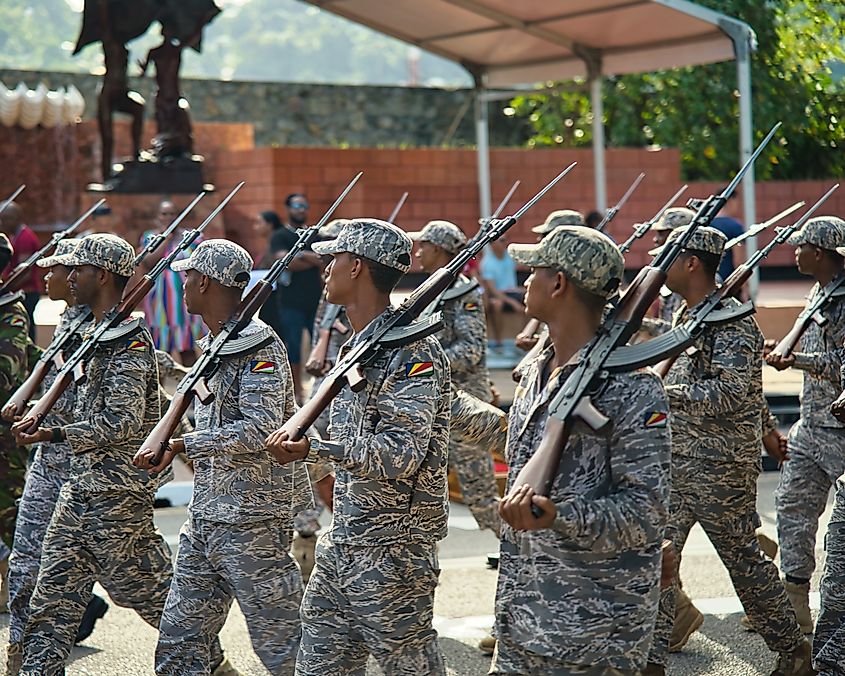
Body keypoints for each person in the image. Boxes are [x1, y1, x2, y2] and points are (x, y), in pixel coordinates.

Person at [10, 233, 235, 676]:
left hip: (115, 500)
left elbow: (120, 425)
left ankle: (213, 663)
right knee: (49, 605)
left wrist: (52, 433)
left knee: (154, 595)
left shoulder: (130, 346)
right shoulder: (91, 332)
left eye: (80, 270)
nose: (70, 277)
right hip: (78, 493)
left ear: (104, 276)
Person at [266, 219, 449, 675]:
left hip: (394, 548)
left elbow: (401, 453)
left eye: (336, 259)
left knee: (409, 666)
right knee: (319, 663)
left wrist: (321, 451)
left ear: (359, 268)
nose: (325, 269)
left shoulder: (412, 352)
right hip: (346, 536)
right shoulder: (359, 342)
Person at [493, 225, 670, 674]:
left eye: (534, 270)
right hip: (522, 614)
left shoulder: (634, 388)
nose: (525, 280)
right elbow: (522, 444)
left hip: (592, 632)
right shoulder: (537, 366)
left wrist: (559, 516)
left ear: (559, 283)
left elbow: (645, 512)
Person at [132, 240, 313, 675]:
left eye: (189, 276)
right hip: (206, 516)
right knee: (179, 642)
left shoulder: (258, 347)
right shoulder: (213, 343)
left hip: (252, 520)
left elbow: (260, 429)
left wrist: (182, 445)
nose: (184, 284)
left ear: (207, 282)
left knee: (285, 647)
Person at [644, 225, 811, 676]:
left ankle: (794, 650)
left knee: (744, 564)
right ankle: (651, 660)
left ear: (692, 263)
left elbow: (735, 391)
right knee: (657, 557)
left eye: (668, 257)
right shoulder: (690, 315)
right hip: (680, 459)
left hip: (720, 466)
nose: (659, 265)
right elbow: (749, 395)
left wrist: (665, 391)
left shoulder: (733, 322)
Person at [2, 240, 109, 674]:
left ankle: (88, 607)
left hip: (63, 463)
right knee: (28, 564)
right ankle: (25, 658)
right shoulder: (69, 322)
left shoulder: (12, 315)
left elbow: (9, 374)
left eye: (59, 270)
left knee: (127, 575)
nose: (45, 278)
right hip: (45, 460)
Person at [764, 216, 845, 634]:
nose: (794, 253)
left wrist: (799, 361)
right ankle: (795, 608)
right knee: (792, 510)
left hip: (841, 429)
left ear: (821, 252)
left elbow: (842, 366)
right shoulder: (819, 292)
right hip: (812, 427)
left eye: (802, 246)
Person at [410, 219, 503, 534]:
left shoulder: (465, 294)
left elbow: (470, 349)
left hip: (464, 408)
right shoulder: (427, 291)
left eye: (422, 245)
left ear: (437, 249)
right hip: (434, 406)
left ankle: (517, 550)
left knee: (480, 491)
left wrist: (422, 364)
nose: (417, 251)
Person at [0, 232, 33, 624]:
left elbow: (6, 372)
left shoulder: (10, 311)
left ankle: (76, 608)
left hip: (4, 439)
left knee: (14, 518)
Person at [268, 194, 324, 403]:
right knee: (293, 347)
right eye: (297, 205)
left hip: (315, 300)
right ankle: (297, 391)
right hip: (290, 301)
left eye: (305, 205)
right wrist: (309, 258)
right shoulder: (280, 235)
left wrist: (301, 256)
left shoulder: (315, 235)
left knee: (320, 345)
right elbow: (286, 261)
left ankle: (319, 390)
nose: (301, 210)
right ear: (288, 208)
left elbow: (323, 260)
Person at [140, 199, 205, 366]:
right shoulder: (150, 237)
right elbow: (148, 262)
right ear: (157, 217)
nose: (169, 217)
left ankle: (190, 384)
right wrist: (165, 238)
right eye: (164, 214)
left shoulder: (190, 237)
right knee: (161, 349)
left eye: (172, 213)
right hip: (160, 300)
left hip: (185, 298)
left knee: (188, 347)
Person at [0, 202, 41, 339]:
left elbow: (25, 272)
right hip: (19, 290)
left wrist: (5, 289)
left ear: (17, 218)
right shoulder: (14, 236)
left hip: (26, 292)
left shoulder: (25, 238)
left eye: (6, 218)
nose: (2, 223)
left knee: (26, 328)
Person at [479, 238, 523, 348]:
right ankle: (499, 342)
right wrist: (513, 303)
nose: (505, 243)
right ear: (492, 244)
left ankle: (526, 338)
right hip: (497, 295)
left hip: (512, 292)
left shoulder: (509, 257)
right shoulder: (487, 263)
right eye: (502, 240)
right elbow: (493, 290)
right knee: (497, 304)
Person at [253, 210, 286, 340]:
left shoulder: (275, 244)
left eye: (259, 223)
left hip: (275, 296)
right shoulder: (268, 244)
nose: (256, 227)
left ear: (270, 225)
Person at [710, 192, 745, 280]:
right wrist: (745, 288)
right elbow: (738, 260)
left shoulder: (706, 224)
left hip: (709, 280)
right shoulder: (734, 226)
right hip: (728, 281)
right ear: (731, 200)